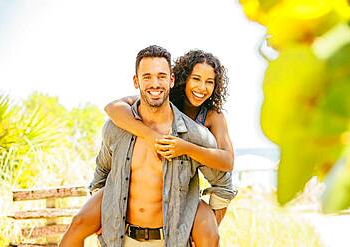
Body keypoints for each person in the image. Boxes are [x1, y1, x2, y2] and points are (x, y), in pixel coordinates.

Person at [59, 46, 236, 247]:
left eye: (209, 81)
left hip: (173, 222)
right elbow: (111, 114)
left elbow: (226, 168)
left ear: (171, 80)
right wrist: (105, 214)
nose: (202, 87)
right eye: (196, 79)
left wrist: (209, 225)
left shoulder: (205, 126)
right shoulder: (127, 119)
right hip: (123, 230)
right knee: (78, 224)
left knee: (209, 234)